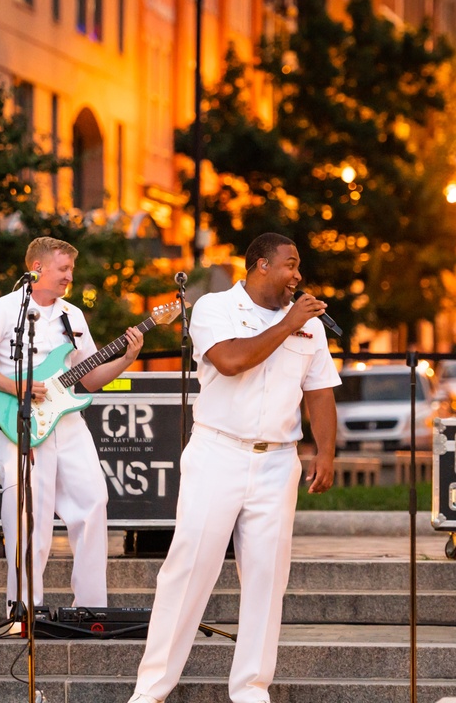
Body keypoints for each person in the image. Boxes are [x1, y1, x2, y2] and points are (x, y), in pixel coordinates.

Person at [126, 233, 339, 703]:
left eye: (298, 266)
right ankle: (150, 691)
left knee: (267, 578)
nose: (297, 275)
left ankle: (251, 690)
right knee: (187, 572)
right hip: (218, 453)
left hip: (277, 459)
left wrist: (325, 452)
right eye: (290, 264)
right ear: (260, 265)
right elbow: (230, 360)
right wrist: (289, 324)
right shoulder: (214, 308)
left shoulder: (311, 327)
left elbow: (320, 390)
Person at [0, 236, 144, 611]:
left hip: (69, 421)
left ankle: (92, 608)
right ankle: (24, 611)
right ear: (37, 268)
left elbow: (90, 378)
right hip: (21, 422)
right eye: (63, 269)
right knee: (29, 516)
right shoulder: (3, 309)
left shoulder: (72, 315)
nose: (69, 277)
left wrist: (127, 358)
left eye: (71, 270)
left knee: (94, 502)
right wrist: (18, 387)